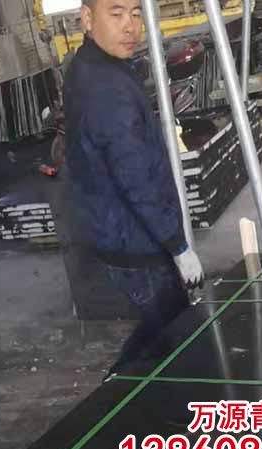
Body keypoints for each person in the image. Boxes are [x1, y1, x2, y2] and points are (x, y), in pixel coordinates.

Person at [63, 0, 203, 360]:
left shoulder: (90, 66)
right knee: (176, 340)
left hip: (117, 229)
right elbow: (136, 178)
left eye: (136, 13)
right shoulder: (107, 88)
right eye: (116, 13)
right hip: (135, 241)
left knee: (160, 331)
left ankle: (125, 380)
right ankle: (130, 386)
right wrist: (178, 246)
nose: (130, 26)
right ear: (87, 18)